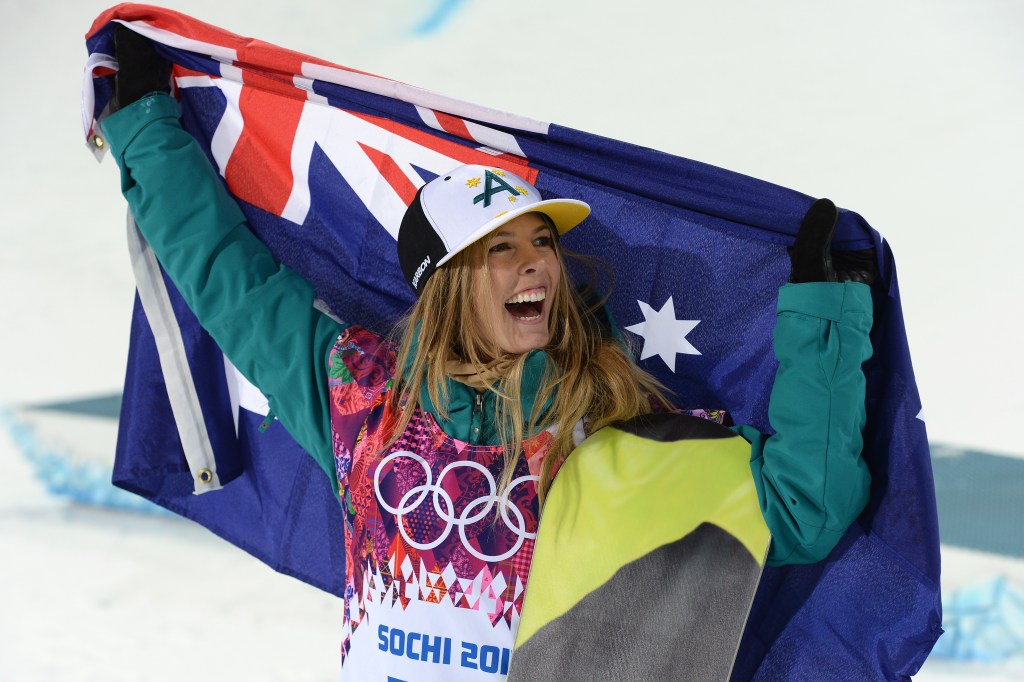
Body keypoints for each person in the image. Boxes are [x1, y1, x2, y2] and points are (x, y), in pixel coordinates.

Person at [103, 26, 873, 681]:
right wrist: (144, 123)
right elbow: (228, 282)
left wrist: (825, 317)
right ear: (446, 285)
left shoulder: (612, 439)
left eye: (542, 241)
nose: (536, 261)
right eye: (499, 248)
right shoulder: (359, 401)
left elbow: (803, 510)